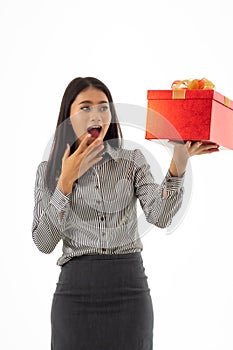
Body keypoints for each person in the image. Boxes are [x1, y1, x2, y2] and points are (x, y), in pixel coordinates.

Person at [31, 77, 219, 350]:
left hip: (129, 290)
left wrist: (179, 162)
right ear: (68, 116)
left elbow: (160, 216)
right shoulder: (47, 171)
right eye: (85, 107)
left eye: (103, 107)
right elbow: (43, 243)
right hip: (75, 293)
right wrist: (65, 183)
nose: (96, 115)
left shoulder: (132, 161)